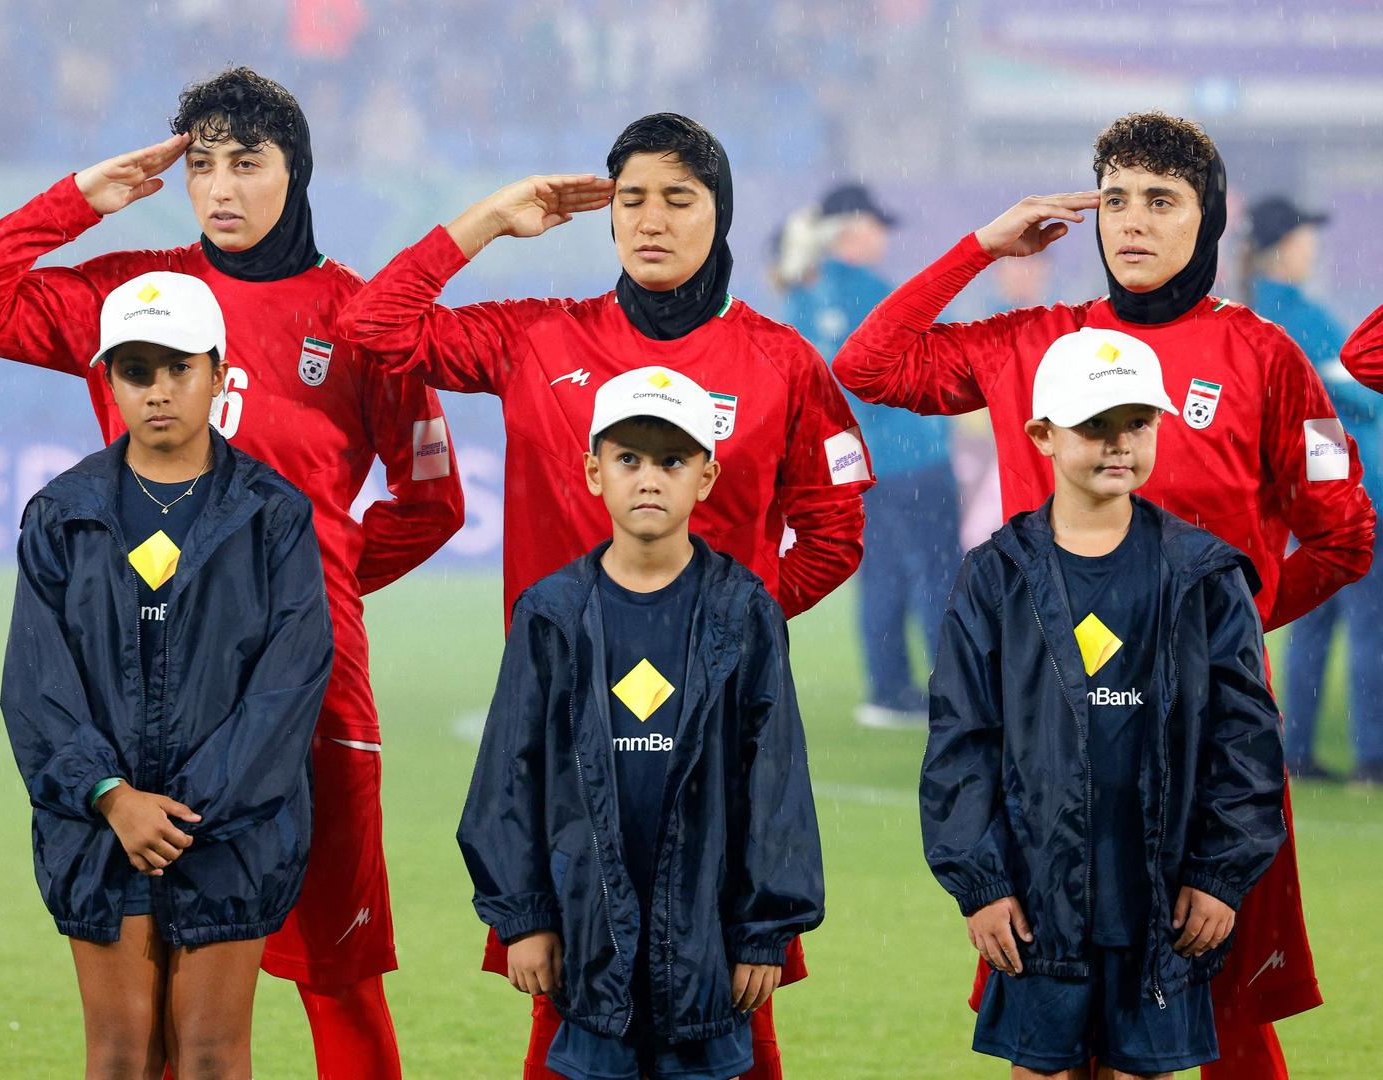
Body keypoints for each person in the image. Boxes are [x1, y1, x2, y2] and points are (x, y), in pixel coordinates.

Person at [0, 68, 459, 1076]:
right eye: (202, 165)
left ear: (295, 173)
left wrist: (302, 584)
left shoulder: (360, 318)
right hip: (139, 694)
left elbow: (434, 503)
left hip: (309, 689)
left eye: (247, 164)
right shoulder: (125, 296)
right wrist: (77, 201)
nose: (220, 187)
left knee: (338, 975)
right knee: (160, 983)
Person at [833, 110, 1375, 1078]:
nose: (1131, 221)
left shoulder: (1265, 357)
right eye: (1115, 199)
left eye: (1160, 201)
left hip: (1207, 746)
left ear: (1206, 218)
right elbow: (867, 367)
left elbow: (1344, 529)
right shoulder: (1031, 344)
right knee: (1056, 1031)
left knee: (1231, 1024)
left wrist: (1231, 634)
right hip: (1050, 745)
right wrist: (979, 247)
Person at [342, 111, 864, 1080]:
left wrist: (722, 639)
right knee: (568, 1018)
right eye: (630, 199)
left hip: (715, 744)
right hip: (564, 736)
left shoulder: (780, 363)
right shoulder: (538, 339)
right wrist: (490, 220)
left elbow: (835, 533)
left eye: (679, 198)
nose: (650, 219)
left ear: (723, 214)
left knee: (737, 1023)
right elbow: (373, 329)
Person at [923, 327, 1287, 1078]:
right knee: (1043, 1070)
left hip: (1162, 900)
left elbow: (1246, 742)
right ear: (1042, 435)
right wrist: (982, 885)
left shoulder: (1204, 574)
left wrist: (1220, 875)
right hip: (1035, 897)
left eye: (1137, 423)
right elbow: (961, 740)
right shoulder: (996, 576)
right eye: (1095, 425)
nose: (1119, 443)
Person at [0, 271, 333, 1080]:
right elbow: (35, 686)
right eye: (135, 370)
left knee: (213, 1059)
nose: (158, 391)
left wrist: (181, 814)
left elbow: (288, 687)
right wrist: (113, 797)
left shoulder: (273, 514)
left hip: (231, 833)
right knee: (120, 1058)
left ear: (220, 373)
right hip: (97, 828)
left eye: (178, 367)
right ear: (106, 379)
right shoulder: (62, 512)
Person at [460, 365, 824, 1080]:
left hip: (709, 942)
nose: (649, 479)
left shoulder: (743, 609)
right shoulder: (551, 612)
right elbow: (509, 773)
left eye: (672, 460)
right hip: (585, 943)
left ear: (707, 478)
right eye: (629, 459)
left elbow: (776, 779)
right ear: (594, 472)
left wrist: (762, 934)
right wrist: (524, 919)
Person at [782, 182, 958, 729]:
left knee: (880, 573)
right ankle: (951, 691)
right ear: (851, 228)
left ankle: (888, 690)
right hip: (914, 456)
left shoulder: (802, 294)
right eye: (875, 224)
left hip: (857, 466)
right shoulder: (874, 291)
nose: (882, 235)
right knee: (939, 573)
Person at [1239, 197, 1383, 784]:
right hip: (1352, 492)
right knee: (1371, 622)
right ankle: (1372, 754)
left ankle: (1295, 747)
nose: (1313, 248)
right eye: (1305, 236)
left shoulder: (1247, 315)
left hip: (1296, 496)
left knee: (1315, 623)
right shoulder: (1302, 316)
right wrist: (1339, 493)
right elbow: (1359, 401)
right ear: (1286, 246)